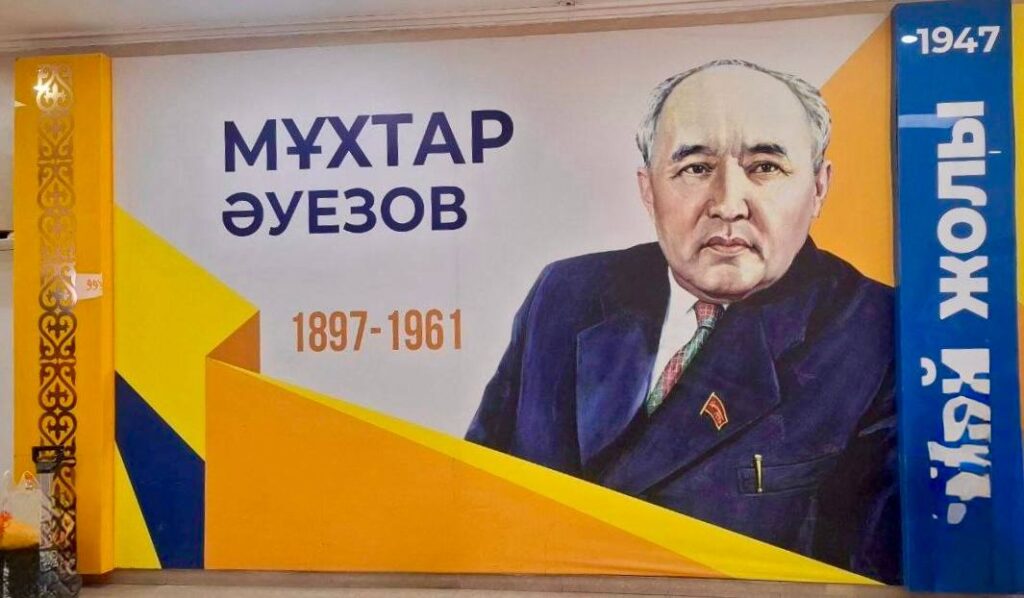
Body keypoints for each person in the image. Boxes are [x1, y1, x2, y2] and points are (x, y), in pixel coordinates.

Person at [466, 59, 899, 583]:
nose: (728, 205)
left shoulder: (882, 336)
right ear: (649, 191)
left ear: (819, 188)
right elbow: (478, 502)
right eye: (695, 168)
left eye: (765, 166)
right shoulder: (565, 294)